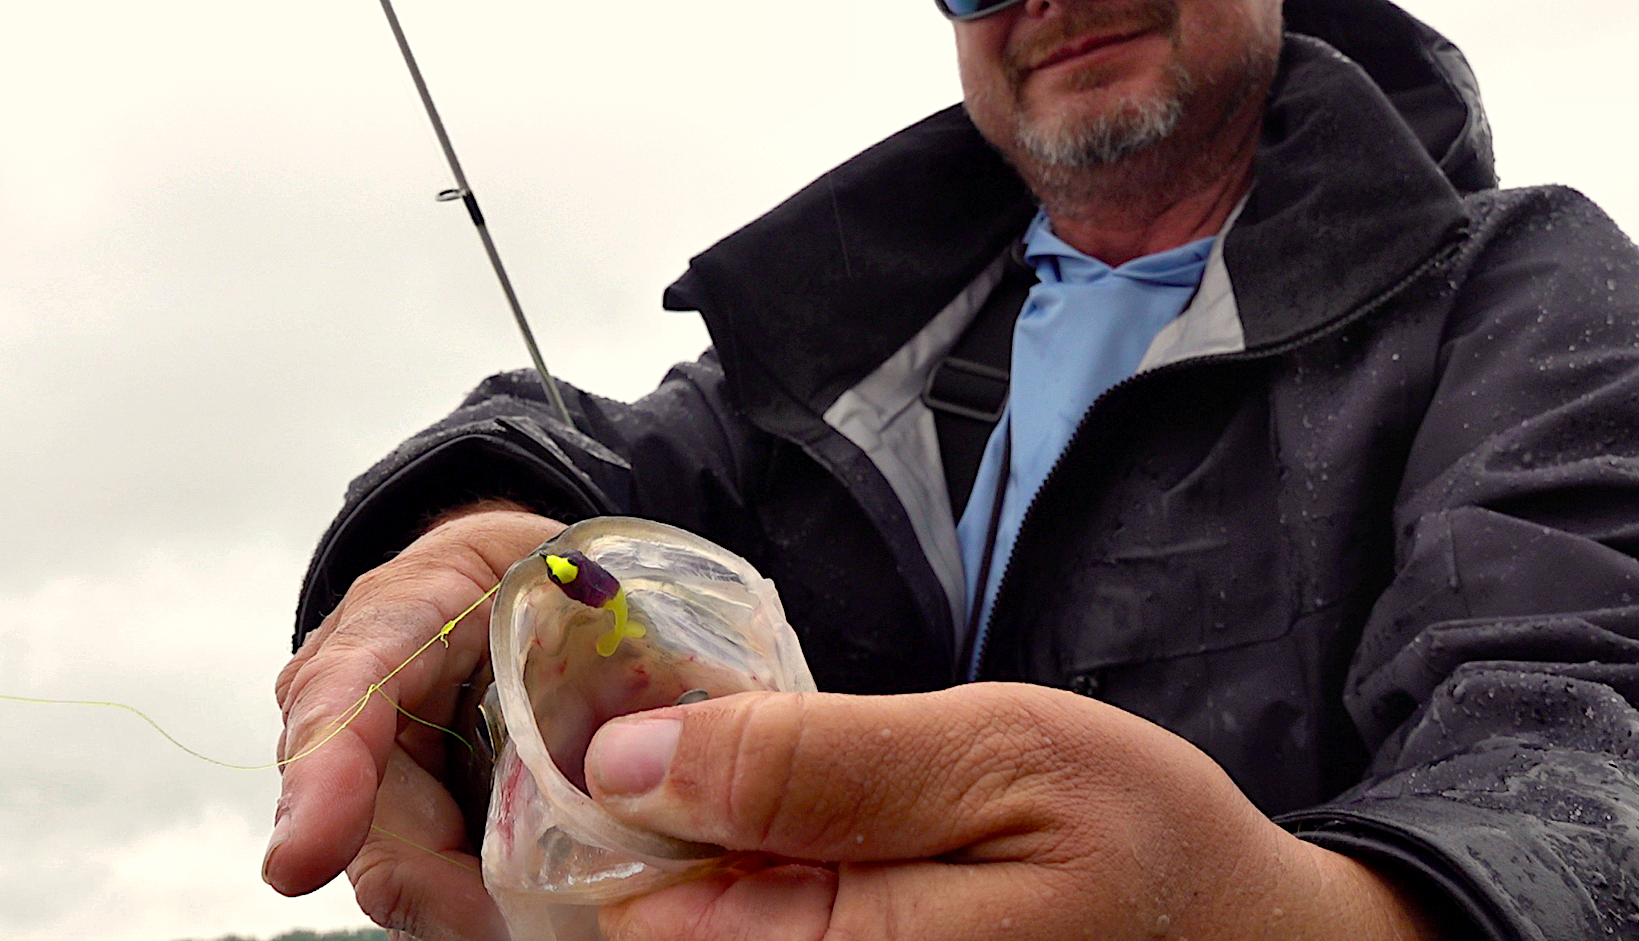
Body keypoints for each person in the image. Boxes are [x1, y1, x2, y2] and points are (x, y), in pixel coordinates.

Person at [266, 0, 1639, 937]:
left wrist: (1335, 912)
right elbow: (591, 452)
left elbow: (1579, 736)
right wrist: (463, 532)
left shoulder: (1524, 290)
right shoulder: (841, 347)